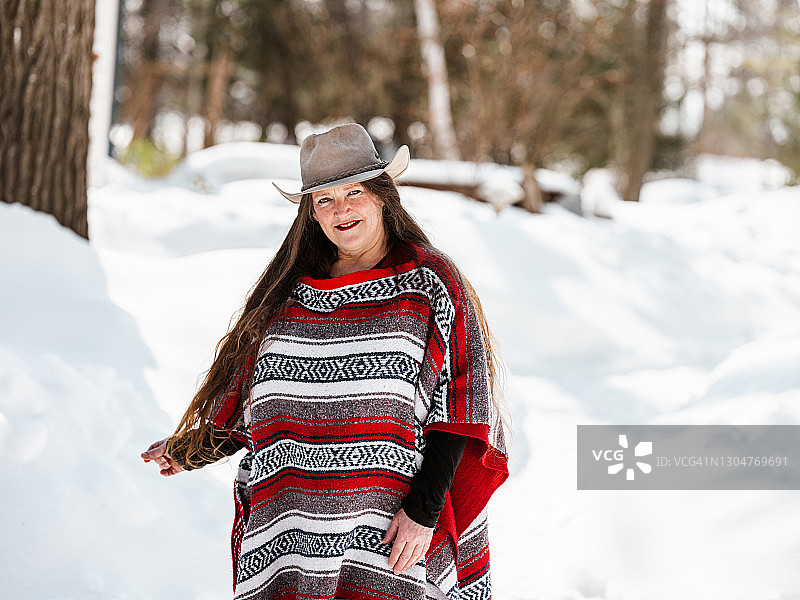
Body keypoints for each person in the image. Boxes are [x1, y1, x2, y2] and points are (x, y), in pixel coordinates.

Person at [141, 123, 509, 600]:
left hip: (388, 531)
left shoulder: (430, 284)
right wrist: (191, 449)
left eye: (353, 192)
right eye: (324, 200)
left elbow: (462, 407)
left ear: (382, 197)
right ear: (311, 214)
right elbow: (253, 399)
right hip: (289, 530)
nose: (342, 210)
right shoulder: (288, 294)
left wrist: (423, 513)